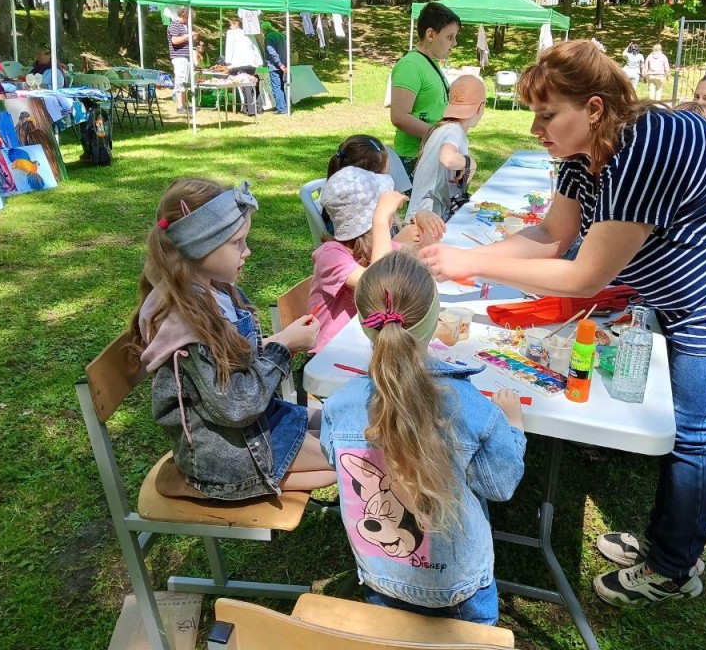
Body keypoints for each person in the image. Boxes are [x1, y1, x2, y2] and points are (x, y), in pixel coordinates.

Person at [419, 39, 706, 608]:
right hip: (704, 281)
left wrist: (470, 262)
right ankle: (665, 545)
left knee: (694, 430)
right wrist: (466, 257)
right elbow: (552, 234)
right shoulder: (585, 154)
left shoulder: (644, 148)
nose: (536, 128)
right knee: (687, 425)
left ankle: (673, 568)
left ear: (596, 108)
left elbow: (584, 276)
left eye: (548, 114)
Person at [320, 250, 526, 625]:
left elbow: (336, 460)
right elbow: (501, 484)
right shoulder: (473, 408)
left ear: (366, 326)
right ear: (434, 321)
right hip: (460, 586)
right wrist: (514, 427)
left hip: (382, 580)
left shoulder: (340, 404)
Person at [132, 178, 337, 499]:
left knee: (338, 430)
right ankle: (213, 486)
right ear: (201, 245)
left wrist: (280, 339)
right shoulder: (189, 325)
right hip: (226, 453)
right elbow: (238, 406)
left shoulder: (216, 290)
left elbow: (239, 364)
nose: (248, 251)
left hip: (249, 430)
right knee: (340, 461)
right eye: (237, 242)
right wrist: (283, 348)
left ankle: (233, 481)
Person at [308, 166, 409, 353]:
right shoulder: (330, 255)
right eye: (388, 214)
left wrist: (426, 226)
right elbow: (379, 284)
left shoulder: (379, 248)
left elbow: (420, 261)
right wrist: (380, 220)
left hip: (366, 346)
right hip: (330, 356)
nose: (394, 219)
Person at [390, 2, 460, 176]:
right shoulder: (410, 65)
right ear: (430, 34)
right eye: (450, 37)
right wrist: (439, 136)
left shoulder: (430, 63)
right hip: (413, 157)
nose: (454, 43)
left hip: (432, 152)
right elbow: (399, 117)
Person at [405, 74, 482, 224]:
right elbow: (447, 158)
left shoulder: (444, 128)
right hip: (426, 221)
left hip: (425, 217)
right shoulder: (453, 129)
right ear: (481, 107)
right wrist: (470, 163)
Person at [225, 16, 264, 115]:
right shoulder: (248, 34)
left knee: (245, 85)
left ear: (235, 24)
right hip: (252, 62)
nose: (229, 27)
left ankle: (250, 109)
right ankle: (258, 106)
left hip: (239, 63)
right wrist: (259, 62)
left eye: (230, 25)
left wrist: (228, 62)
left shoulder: (231, 33)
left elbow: (229, 47)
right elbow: (255, 47)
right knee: (253, 83)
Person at [167, 6, 194, 115]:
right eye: (190, 17)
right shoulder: (175, 25)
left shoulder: (185, 26)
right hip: (179, 57)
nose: (191, 19)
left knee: (186, 81)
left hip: (186, 57)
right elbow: (174, 40)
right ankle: (179, 106)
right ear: (184, 14)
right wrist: (188, 36)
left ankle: (184, 104)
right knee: (180, 80)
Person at [262, 21, 288, 115]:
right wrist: (284, 64)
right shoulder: (280, 35)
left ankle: (281, 108)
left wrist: (279, 63)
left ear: (264, 30)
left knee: (276, 87)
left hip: (275, 66)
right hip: (283, 64)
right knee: (281, 86)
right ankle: (284, 106)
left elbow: (271, 52)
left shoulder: (269, 37)